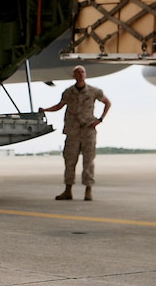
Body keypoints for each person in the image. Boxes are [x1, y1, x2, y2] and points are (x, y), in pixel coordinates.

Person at [39, 65, 111, 201]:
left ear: (85, 75)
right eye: (78, 73)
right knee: (69, 160)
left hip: (88, 129)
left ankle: (88, 190)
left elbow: (107, 103)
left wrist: (100, 119)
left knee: (88, 161)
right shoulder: (68, 92)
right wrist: (45, 110)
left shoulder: (94, 91)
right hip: (72, 130)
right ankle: (68, 190)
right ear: (74, 76)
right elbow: (59, 106)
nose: (81, 74)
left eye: (82, 72)